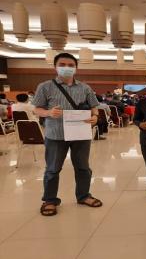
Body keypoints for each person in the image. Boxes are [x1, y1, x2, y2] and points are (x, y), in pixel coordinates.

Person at [32, 52, 103, 216]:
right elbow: (37, 109)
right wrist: (48, 112)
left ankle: (84, 195)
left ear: (76, 68)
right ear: (55, 67)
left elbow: (94, 106)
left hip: (80, 134)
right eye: (62, 65)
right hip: (56, 135)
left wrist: (95, 116)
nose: (67, 68)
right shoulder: (45, 86)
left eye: (71, 65)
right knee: (52, 169)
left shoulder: (85, 87)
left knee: (83, 168)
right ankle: (50, 200)